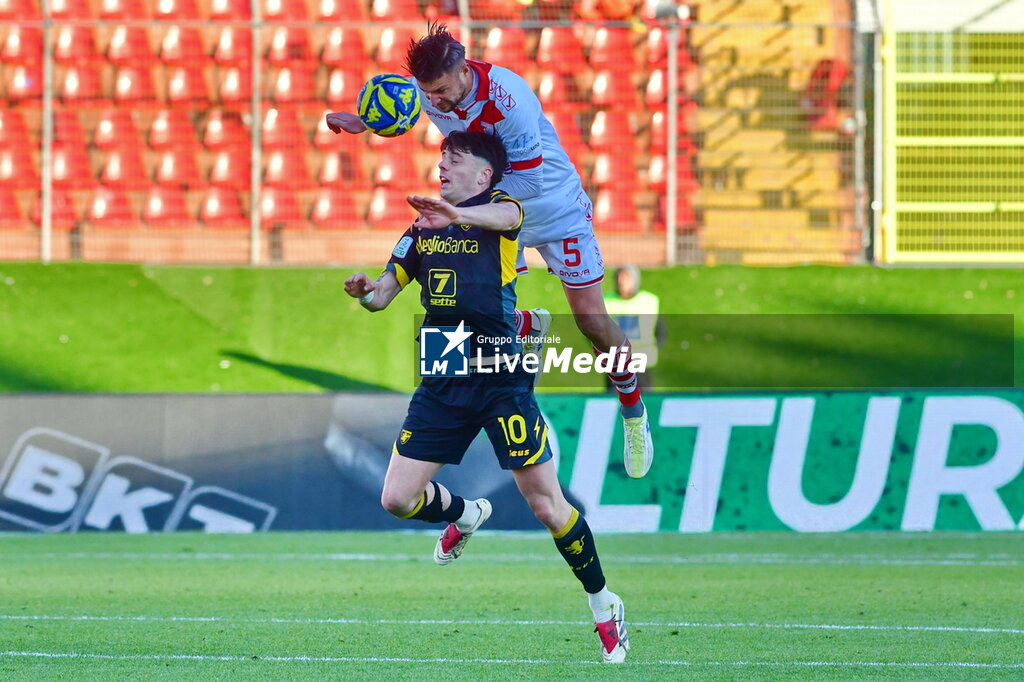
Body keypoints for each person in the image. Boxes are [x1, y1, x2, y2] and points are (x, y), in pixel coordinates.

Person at [343, 131, 631, 664]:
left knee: (547, 506)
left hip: (500, 371)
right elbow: (386, 292)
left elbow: (505, 221)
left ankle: (603, 601)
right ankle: (467, 511)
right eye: (440, 159)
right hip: (444, 366)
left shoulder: (502, 212)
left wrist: (457, 215)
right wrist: (367, 294)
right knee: (396, 500)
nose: (443, 166)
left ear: (484, 177)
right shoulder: (419, 230)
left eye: (456, 159)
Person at [326, 22, 653, 480]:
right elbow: (407, 105)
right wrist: (365, 122)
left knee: (592, 323)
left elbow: (527, 183)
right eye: (426, 92)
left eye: (439, 91)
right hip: (491, 213)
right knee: (474, 306)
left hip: (551, 206)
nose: (433, 102)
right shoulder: (430, 91)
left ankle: (633, 410)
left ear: (463, 70)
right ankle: (521, 330)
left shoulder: (510, 99)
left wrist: (463, 210)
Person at [603, 265, 666, 391]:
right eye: (620, 278)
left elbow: (661, 331)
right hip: (614, 363)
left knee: (644, 400)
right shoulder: (605, 301)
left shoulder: (648, 301)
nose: (622, 282)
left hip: (641, 362)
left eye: (626, 278)